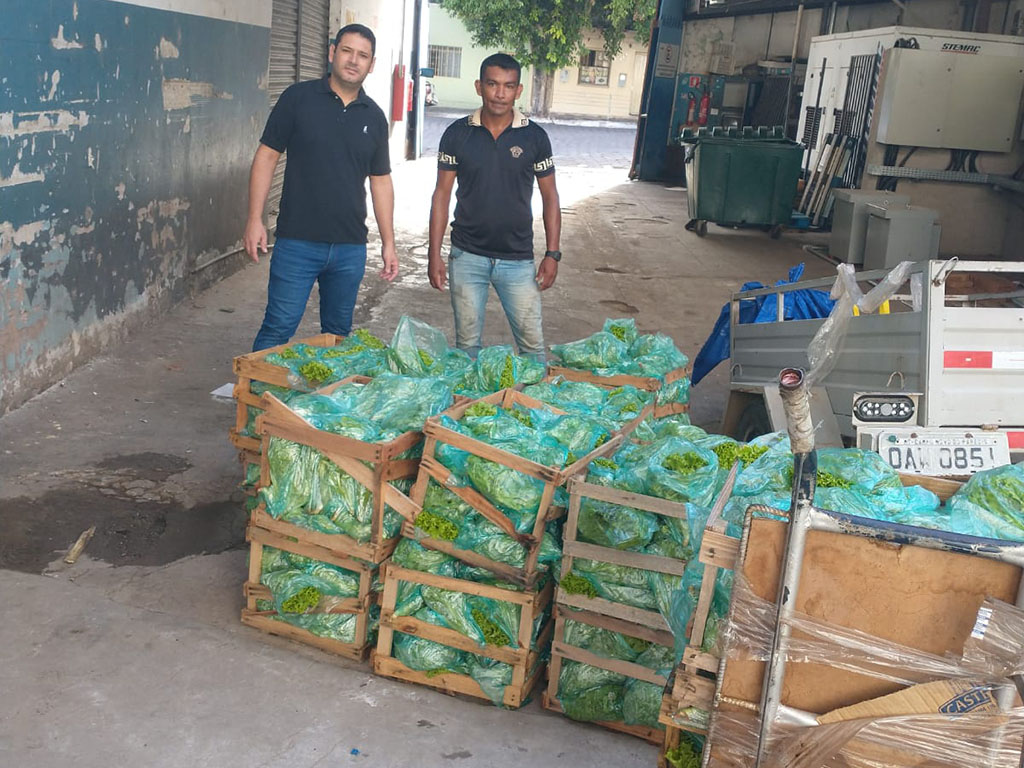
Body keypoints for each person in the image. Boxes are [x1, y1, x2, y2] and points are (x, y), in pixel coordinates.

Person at [244, 23, 398, 352]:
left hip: (349, 247)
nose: (353, 60)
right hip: (297, 241)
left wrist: (389, 243)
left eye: (363, 55)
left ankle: (329, 401)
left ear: (372, 64)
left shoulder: (374, 116)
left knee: (338, 334)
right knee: (279, 325)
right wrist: (255, 218)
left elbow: (381, 180)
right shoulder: (297, 99)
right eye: (346, 51)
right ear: (332, 53)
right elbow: (267, 156)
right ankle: (255, 397)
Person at [427, 53, 561, 362]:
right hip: (467, 256)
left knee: (532, 349)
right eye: (492, 84)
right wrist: (434, 254)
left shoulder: (535, 137)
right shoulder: (457, 134)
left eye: (508, 86)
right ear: (479, 86)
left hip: (517, 259)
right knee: (467, 348)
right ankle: (470, 409)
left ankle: (529, 407)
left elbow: (550, 197)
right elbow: (441, 195)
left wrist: (552, 254)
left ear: (519, 90)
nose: (500, 94)